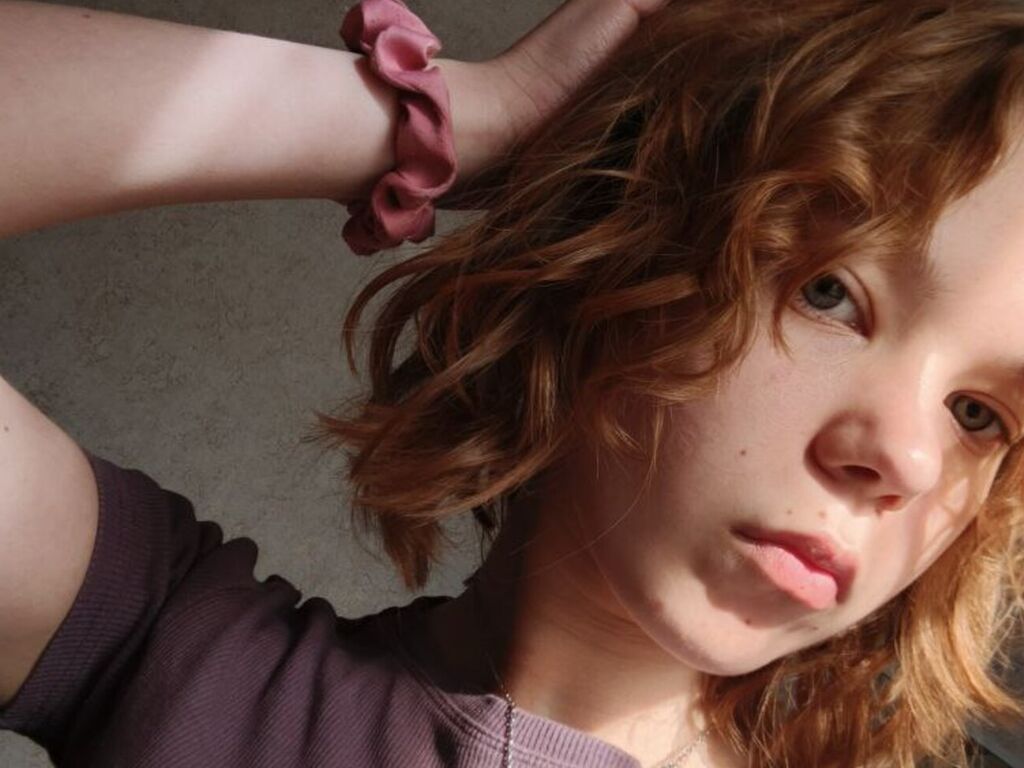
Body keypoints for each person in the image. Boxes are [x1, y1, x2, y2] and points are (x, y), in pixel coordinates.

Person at [1, 0, 1022, 766]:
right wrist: (469, 118)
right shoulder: (181, 660)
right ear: (626, 246)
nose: (905, 458)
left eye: (978, 415)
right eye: (830, 292)